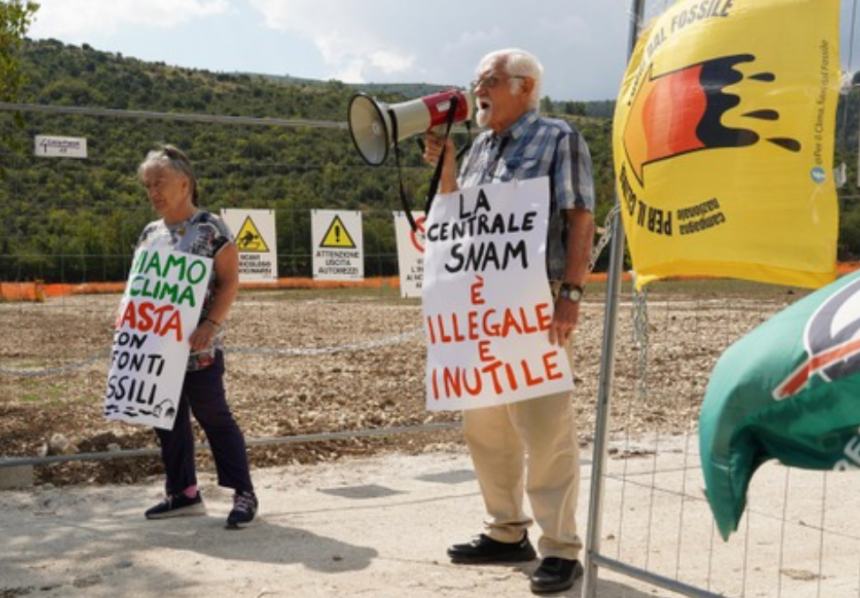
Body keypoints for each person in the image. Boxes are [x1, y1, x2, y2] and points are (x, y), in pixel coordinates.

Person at [423, 49, 595, 594]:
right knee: (486, 426)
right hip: (481, 306)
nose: (478, 89)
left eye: (489, 81)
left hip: (535, 303)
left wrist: (570, 292)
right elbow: (456, 218)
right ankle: (505, 531)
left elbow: (580, 215)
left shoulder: (557, 137)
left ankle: (562, 547)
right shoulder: (477, 149)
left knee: (544, 427)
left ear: (524, 86)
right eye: (477, 81)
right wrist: (448, 168)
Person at [135, 144, 258, 529]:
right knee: (165, 417)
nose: (153, 192)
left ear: (185, 183)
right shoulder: (150, 233)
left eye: (160, 183)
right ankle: (183, 493)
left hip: (200, 349)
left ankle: (243, 493)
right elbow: (140, 286)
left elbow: (230, 281)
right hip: (158, 348)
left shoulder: (212, 229)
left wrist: (211, 325)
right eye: (147, 185)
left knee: (213, 415)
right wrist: (129, 320)